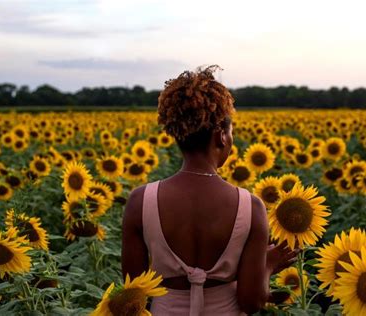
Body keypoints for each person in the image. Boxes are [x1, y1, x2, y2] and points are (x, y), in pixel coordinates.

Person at [122, 65, 300, 315]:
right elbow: (251, 302)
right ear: (221, 137)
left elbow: (133, 295)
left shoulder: (140, 201)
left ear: (177, 135)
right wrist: (268, 265)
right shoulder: (250, 207)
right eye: (230, 131)